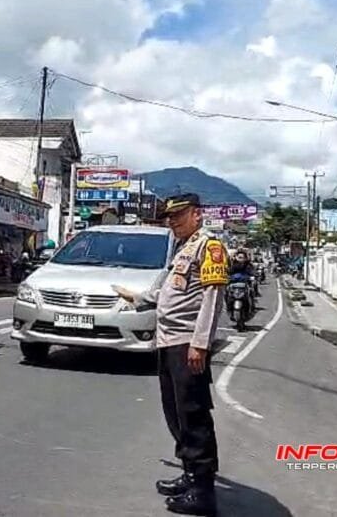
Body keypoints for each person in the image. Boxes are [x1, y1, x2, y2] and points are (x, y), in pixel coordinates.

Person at [113, 193, 227, 516]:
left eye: (178, 216)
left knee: (193, 414)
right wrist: (138, 300)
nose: (172, 222)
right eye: (169, 218)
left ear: (197, 215)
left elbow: (212, 297)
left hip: (187, 343)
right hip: (168, 342)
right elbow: (165, 290)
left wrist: (201, 343)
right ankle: (190, 474)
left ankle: (203, 491)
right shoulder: (183, 249)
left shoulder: (210, 247)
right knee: (175, 411)